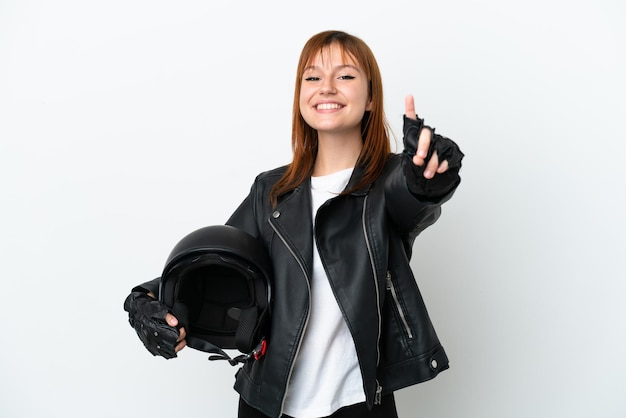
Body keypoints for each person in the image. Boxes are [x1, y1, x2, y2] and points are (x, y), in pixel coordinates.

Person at [124, 30, 463, 418]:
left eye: (346, 76)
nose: (327, 87)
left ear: (371, 98)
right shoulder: (271, 191)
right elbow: (214, 263)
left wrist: (426, 180)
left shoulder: (388, 183)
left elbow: (413, 197)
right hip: (267, 404)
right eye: (313, 77)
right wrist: (147, 300)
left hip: (358, 404)